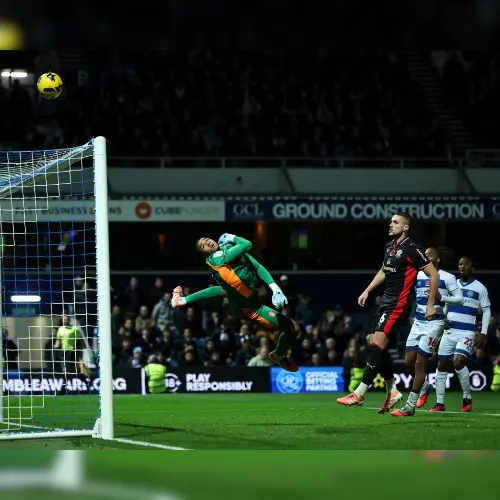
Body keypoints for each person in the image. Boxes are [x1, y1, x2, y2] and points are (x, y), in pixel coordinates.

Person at [337, 212, 439, 413]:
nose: (390, 224)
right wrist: (367, 290)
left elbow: (433, 275)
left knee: (376, 346)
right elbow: (383, 270)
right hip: (385, 303)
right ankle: (392, 391)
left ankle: (359, 393)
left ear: (406, 227)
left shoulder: (412, 248)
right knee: (375, 345)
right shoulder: (389, 246)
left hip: (398, 305)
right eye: (391, 221)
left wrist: (430, 304)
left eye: (395, 222)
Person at [170, 233, 301, 372]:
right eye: (204, 245)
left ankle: (182, 300)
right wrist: (231, 236)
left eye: (207, 240)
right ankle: (278, 355)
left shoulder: (229, 249)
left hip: (253, 298)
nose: (208, 243)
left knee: (225, 289)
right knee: (294, 328)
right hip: (250, 309)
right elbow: (247, 244)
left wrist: (276, 289)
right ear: (205, 254)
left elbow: (257, 267)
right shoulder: (216, 259)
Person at [391, 247, 464, 417]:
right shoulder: (418, 274)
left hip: (434, 323)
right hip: (418, 322)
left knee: (420, 363)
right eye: (424, 255)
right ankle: (424, 386)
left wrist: (442, 298)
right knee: (408, 361)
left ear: (437, 259)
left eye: (429, 255)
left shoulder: (447, 277)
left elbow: (460, 299)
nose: (425, 257)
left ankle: (410, 406)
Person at [429, 256, 491, 413]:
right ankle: (439, 403)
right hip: (450, 331)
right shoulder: (452, 284)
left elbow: (486, 311)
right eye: (460, 264)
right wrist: (442, 319)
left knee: (458, 361)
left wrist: (483, 332)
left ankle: (467, 398)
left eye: (466, 264)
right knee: (442, 364)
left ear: (472, 268)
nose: (462, 266)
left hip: (467, 332)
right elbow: (444, 304)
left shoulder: (480, 288)